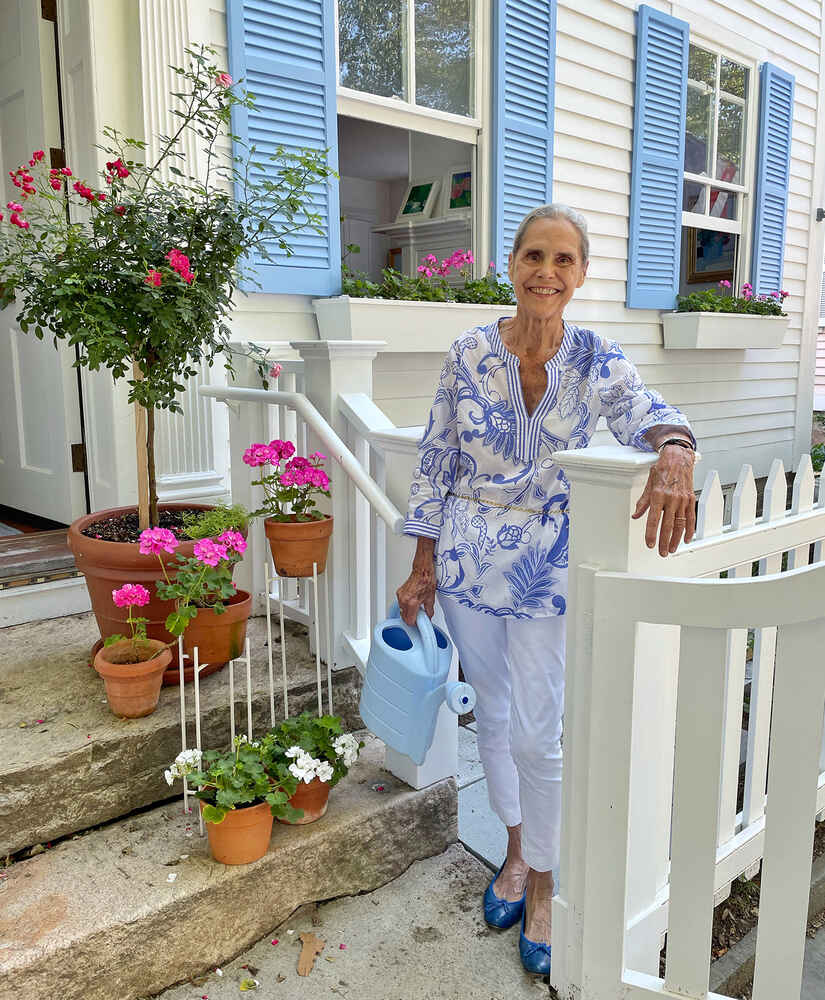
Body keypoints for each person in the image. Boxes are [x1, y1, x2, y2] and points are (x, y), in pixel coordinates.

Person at [396, 204, 696, 975]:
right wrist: (422, 562)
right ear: (511, 264)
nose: (546, 272)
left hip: (545, 567)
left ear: (580, 275)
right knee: (490, 714)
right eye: (534, 255)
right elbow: (435, 457)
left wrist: (674, 452)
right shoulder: (467, 352)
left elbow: (648, 414)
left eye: (564, 261)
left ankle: (548, 880)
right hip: (465, 561)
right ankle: (516, 854)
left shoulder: (597, 356)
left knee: (538, 727)